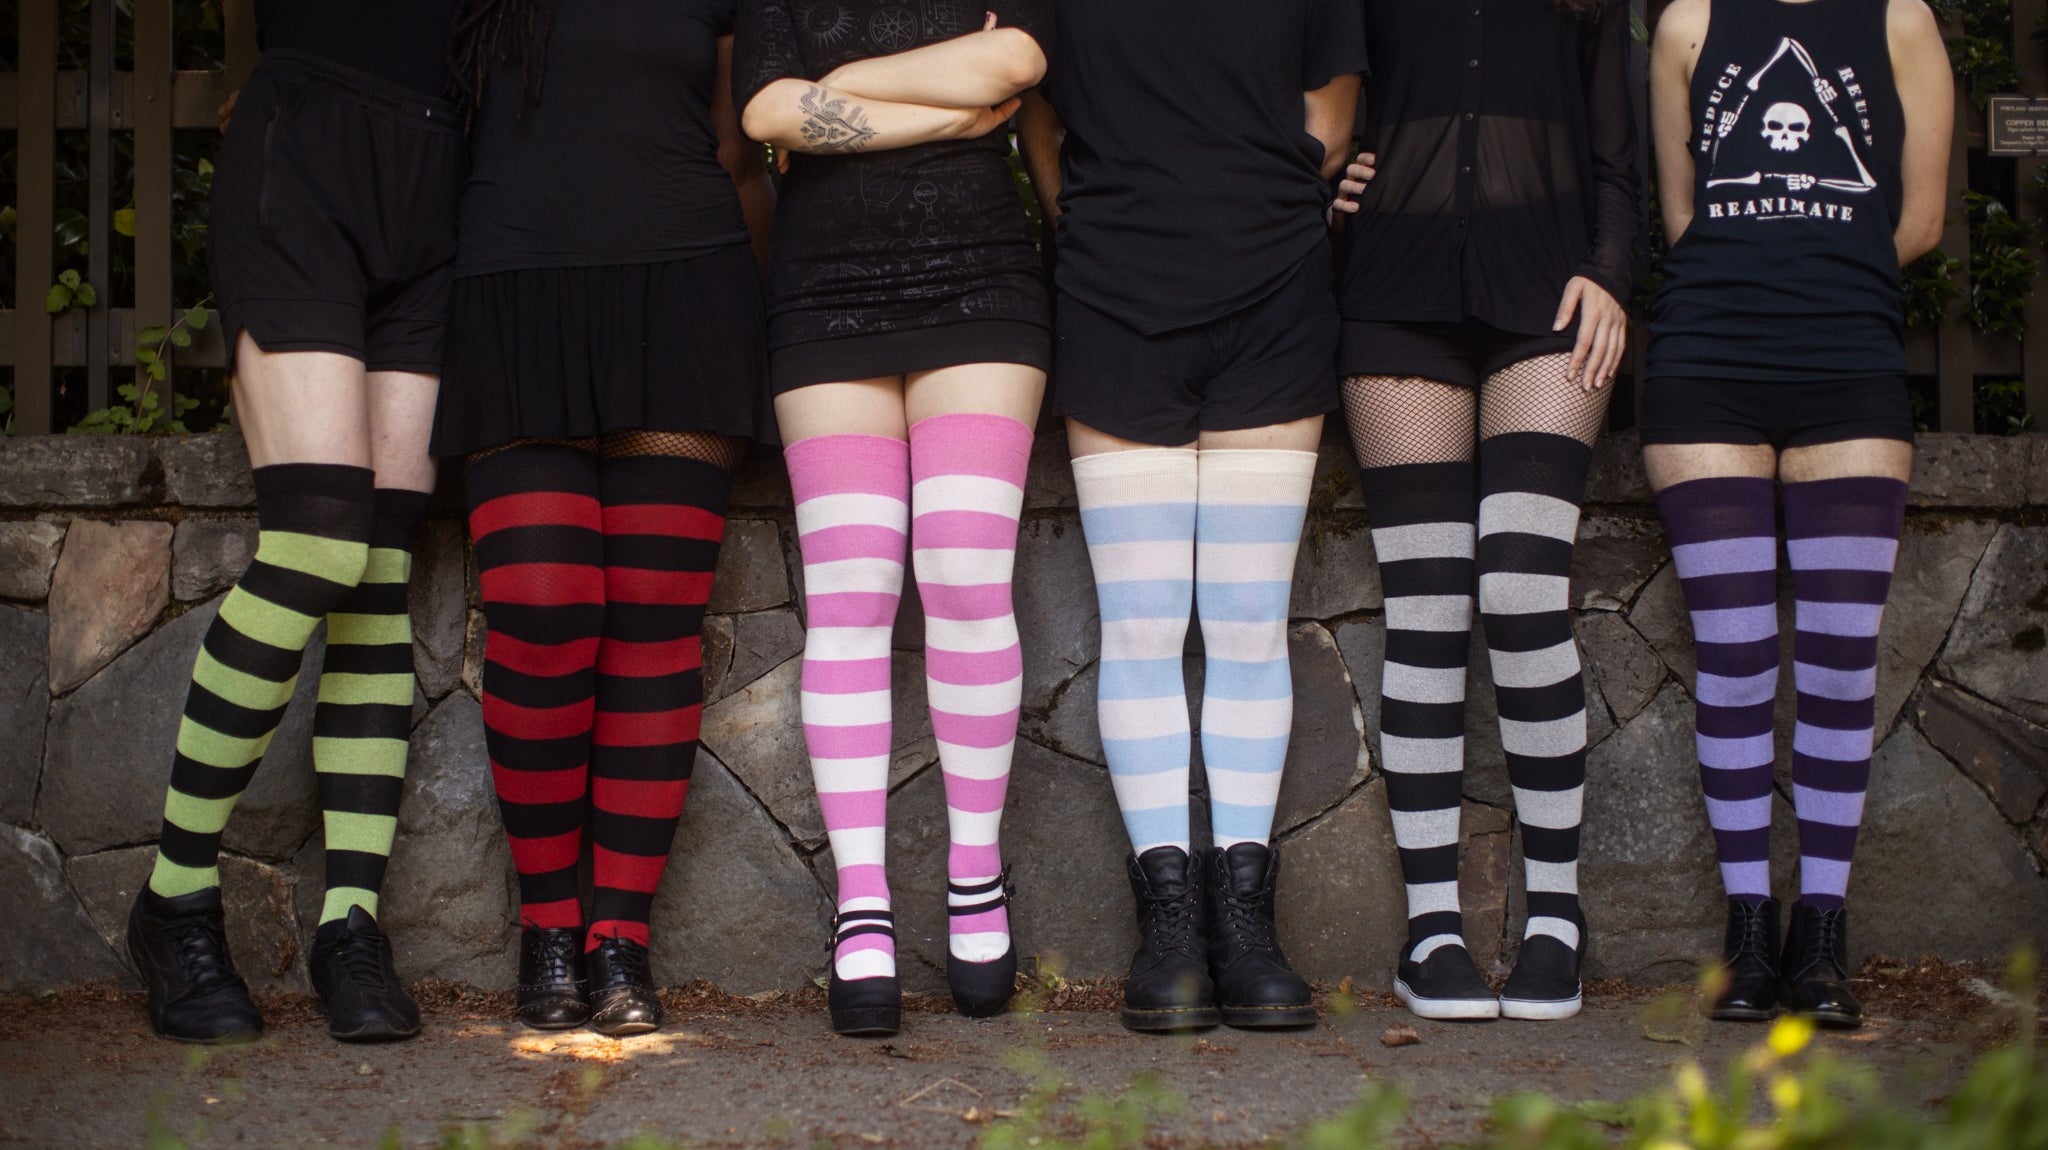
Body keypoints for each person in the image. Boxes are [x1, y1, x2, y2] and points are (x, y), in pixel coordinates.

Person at [1019, 0, 1365, 1033]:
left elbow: (1330, 117)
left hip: (1273, 294)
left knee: (1248, 619)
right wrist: (1104, 214)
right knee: (1141, 621)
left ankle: (1245, 925)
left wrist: (1237, 194)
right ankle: (1167, 930)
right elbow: (1034, 113)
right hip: (1113, 293)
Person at [432, 0, 776, 1036]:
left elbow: (737, 140)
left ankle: (616, 936)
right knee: (541, 607)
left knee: (654, 620)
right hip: (512, 285)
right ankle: (547, 926)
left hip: (682, 283)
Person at [124, 0, 464, 1046]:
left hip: (444, 177)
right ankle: (175, 897)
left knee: (377, 560)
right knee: (318, 535)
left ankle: (348, 923)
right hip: (308, 154)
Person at [733, 0, 1054, 1037]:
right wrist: (942, 104)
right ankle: (861, 904)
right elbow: (768, 111)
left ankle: (973, 877)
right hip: (823, 290)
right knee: (851, 596)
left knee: (963, 575)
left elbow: (1015, 58)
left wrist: (855, 86)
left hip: (982, 285)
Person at [1328, 0, 1639, 1022]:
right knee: (1423, 604)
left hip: (1548, 298)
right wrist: (1331, 177)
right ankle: (1431, 929)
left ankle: (1552, 915)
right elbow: (1323, 104)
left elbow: (1615, 151)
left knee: (1516, 582)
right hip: (1394, 291)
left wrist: (1608, 269)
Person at [1646, 0, 1950, 1029]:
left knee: (1835, 658)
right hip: (1703, 369)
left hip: (1846, 367)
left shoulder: (1898, 19)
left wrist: (1811, 269)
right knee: (1731, 655)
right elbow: (1681, 216)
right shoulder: (1686, 21)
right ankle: (1745, 930)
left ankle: (1818, 932)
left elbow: (1917, 219)